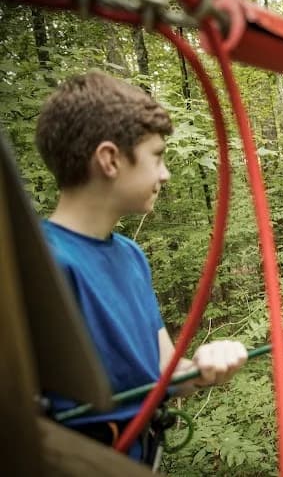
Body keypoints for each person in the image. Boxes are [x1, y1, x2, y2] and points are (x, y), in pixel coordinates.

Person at [36, 71, 248, 465]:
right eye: (157, 157)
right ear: (110, 159)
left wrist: (201, 368)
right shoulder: (39, 264)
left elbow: (164, 369)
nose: (165, 174)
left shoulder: (131, 255)